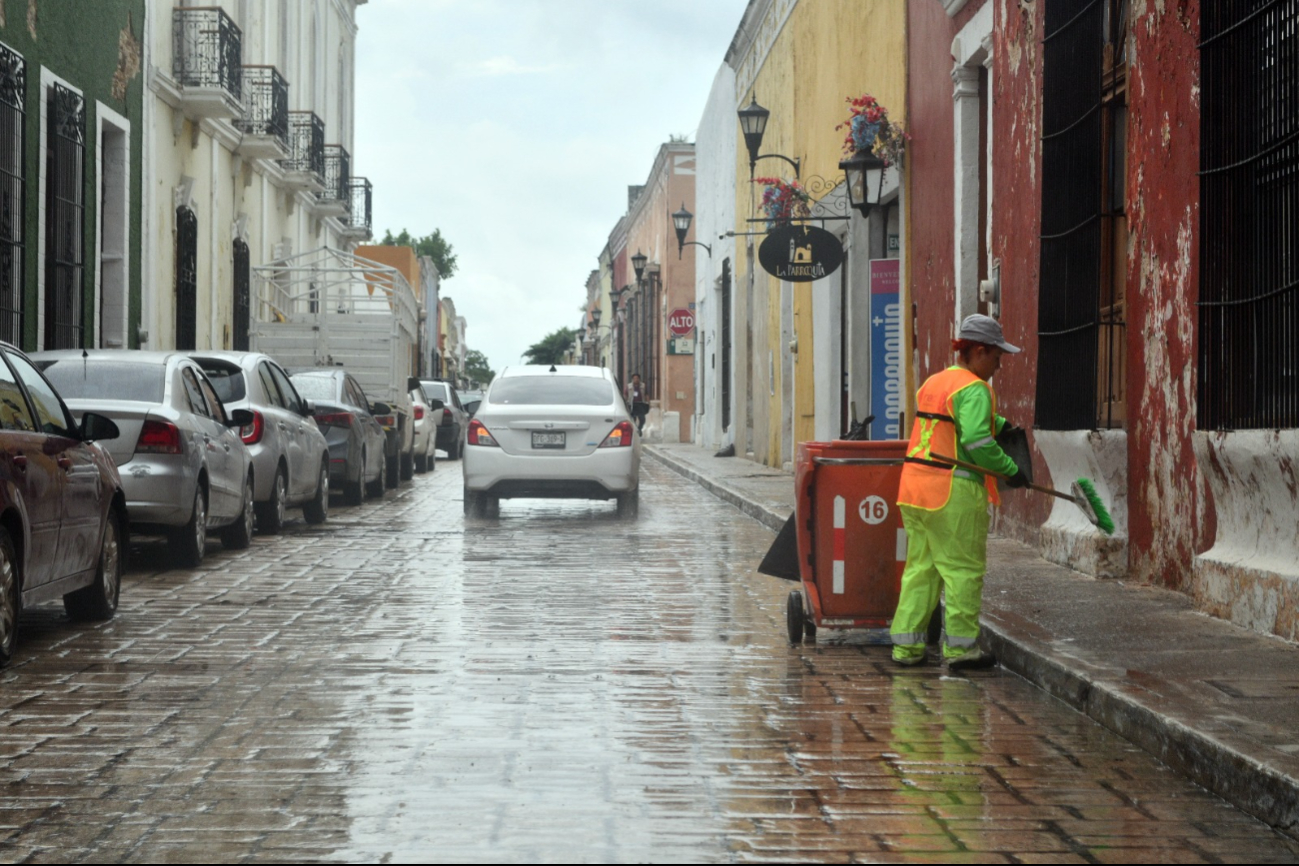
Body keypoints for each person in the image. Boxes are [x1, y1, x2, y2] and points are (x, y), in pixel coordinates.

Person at [889, 314, 1029, 670]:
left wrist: (998, 422)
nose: (998, 366)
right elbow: (976, 441)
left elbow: (947, 421)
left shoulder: (934, 383)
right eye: (996, 357)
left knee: (921, 571)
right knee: (963, 571)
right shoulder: (976, 389)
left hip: (914, 489)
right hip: (953, 491)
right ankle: (961, 650)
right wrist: (1011, 470)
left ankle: (906, 649)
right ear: (979, 351)